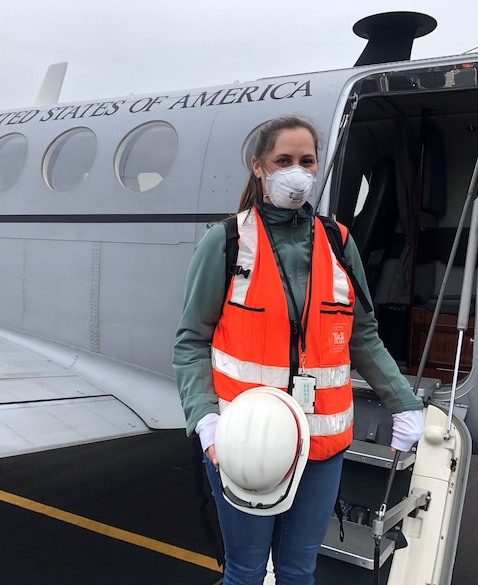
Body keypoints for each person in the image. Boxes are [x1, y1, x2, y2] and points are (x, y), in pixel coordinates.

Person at [172, 115, 424, 585]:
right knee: (245, 574)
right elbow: (191, 342)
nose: (297, 172)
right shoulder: (226, 242)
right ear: (259, 167)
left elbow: (362, 334)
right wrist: (205, 419)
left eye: (306, 161)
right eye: (283, 160)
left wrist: (404, 403)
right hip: (245, 445)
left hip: (322, 446)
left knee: (298, 573)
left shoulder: (338, 242)